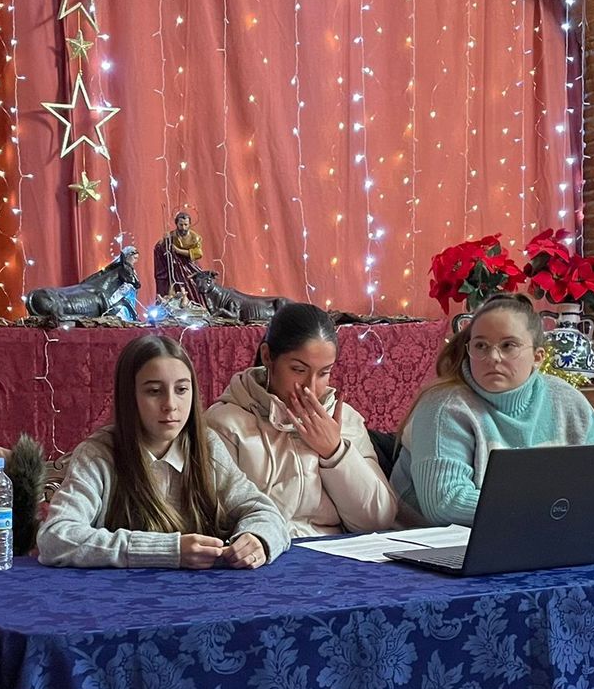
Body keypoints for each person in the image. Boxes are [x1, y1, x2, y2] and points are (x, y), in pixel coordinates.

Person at [38, 335, 291, 567]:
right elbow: (56, 538)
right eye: (154, 391)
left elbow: (265, 512)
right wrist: (168, 550)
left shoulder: (207, 446)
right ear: (130, 396)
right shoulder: (98, 456)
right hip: (121, 604)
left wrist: (257, 538)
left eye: (181, 390)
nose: (170, 405)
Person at [390, 293, 594, 526]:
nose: (493, 357)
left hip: (539, 529)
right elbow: (445, 504)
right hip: (430, 542)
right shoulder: (443, 406)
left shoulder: (567, 400)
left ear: (538, 357)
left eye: (508, 345)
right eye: (481, 346)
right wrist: (547, 506)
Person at [206, 303, 397, 536]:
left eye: (324, 373)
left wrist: (335, 453)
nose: (310, 387)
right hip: (264, 556)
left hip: (338, 557)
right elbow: (218, 519)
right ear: (267, 356)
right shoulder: (225, 424)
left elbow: (378, 520)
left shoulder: (344, 419)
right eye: (298, 369)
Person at [154, 208, 205, 300]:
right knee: (172, 280)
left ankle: (193, 300)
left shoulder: (195, 237)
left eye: (186, 224)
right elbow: (162, 250)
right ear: (176, 224)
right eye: (181, 225)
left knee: (193, 283)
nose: (183, 227)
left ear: (189, 224)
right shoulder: (171, 235)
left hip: (189, 265)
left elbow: (198, 253)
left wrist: (178, 250)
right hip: (174, 267)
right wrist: (164, 241)